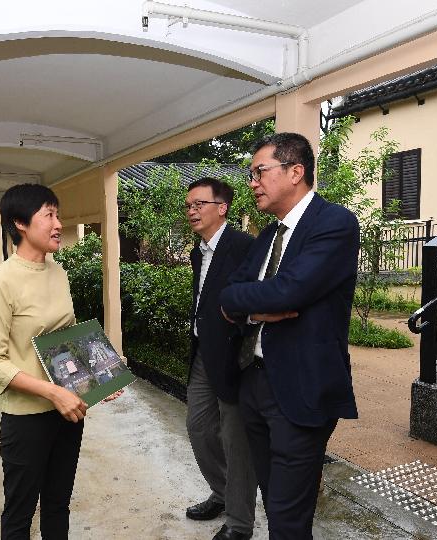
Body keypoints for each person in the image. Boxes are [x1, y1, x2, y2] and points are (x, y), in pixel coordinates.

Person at [220, 133, 359, 539]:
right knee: (274, 499)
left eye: (259, 171)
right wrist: (252, 306)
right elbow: (229, 292)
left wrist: (250, 301)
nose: (252, 182)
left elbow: (290, 291)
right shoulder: (267, 237)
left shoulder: (333, 223)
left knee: (287, 516)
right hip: (255, 382)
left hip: (300, 390)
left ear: (295, 171)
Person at [0, 183, 89, 540]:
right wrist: (53, 393)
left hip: (68, 411)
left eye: (58, 214)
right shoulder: (0, 283)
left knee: (58, 504)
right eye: (49, 215)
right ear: (20, 223)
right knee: (19, 513)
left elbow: (66, 336)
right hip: (27, 419)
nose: (58, 223)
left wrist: (99, 371)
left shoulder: (58, 273)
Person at [183, 177, 257, 540]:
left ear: (222, 208)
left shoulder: (245, 247)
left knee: (235, 441)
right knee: (199, 429)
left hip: (234, 358)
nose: (192, 211)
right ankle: (222, 491)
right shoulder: (200, 250)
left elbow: (256, 300)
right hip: (203, 354)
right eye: (189, 205)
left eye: (199, 204)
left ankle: (240, 523)